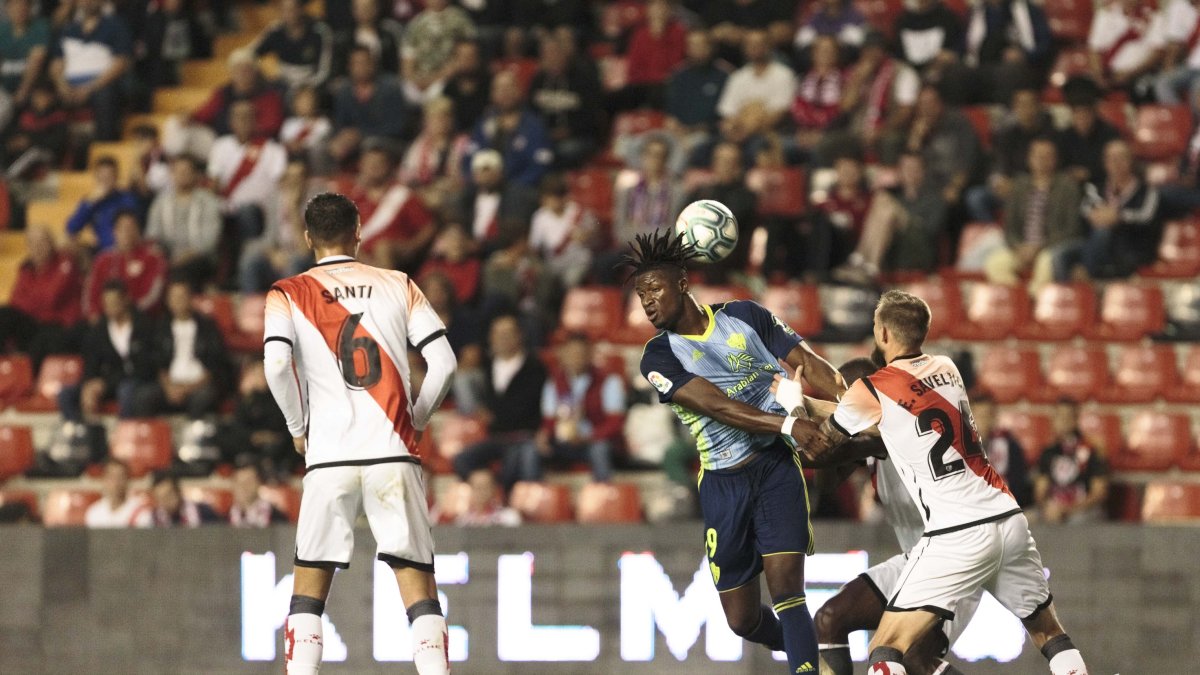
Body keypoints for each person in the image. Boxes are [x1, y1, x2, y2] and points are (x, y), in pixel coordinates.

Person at [787, 290, 1089, 675]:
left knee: (887, 648)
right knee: (1049, 633)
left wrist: (794, 404)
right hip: (1006, 517)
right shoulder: (947, 369)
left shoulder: (873, 390)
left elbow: (818, 448)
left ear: (882, 333)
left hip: (954, 535)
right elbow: (890, 409)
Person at [628, 229, 846, 674]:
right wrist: (791, 423)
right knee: (742, 620)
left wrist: (845, 405)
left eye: (655, 288)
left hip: (775, 468)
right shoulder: (658, 357)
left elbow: (808, 363)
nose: (647, 301)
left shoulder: (745, 315)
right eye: (640, 294)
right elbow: (719, 406)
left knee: (788, 590)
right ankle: (816, 657)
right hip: (723, 485)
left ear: (683, 283)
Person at [263, 192, 457, 674]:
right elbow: (445, 363)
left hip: (329, 456)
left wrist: (296, 426)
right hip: (393, 449)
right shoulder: (398, 283)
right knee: (418, 587)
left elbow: (275, 365)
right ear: (358, 232)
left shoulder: (287, 293)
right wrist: (418, 416)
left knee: (308, 591)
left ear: (308, 238)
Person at [810, 358, 972, 675]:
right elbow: (827, 481)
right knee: (829, 619)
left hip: (957, 559)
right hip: (917, 559)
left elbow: (846, 446)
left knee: (912, 656)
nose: (840, 411)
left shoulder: (902, 425)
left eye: (842, 401)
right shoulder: (866, 435)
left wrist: (804, 414)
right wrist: (825, 444)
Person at [451, 314, 548, 490]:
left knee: (516, 463)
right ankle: (490, 489)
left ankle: (507, 501)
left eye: (507, 333)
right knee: (462, 459)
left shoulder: (534, 367)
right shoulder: (486, 367)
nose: (502, 338)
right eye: (497, 333)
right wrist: (481, 412)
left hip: (524, 437)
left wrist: (494, 416)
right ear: (491, 337)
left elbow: (526, 406)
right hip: (496, 438)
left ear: (519, 335)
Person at [982, 137, 1082, 289]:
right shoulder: (1019, 186)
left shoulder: (1067, 187)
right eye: (1037, 156)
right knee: (995, 263)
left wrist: (1038, 247)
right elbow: (1010, 227)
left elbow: (1072, 229)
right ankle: (1020, 297)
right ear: (1030, 159)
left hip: (1050, 247)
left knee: (1047, 262)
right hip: (1022, 248)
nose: (1042, 160)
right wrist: (1019, 247)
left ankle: (1033, 300)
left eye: (1047, 156)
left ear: (1055, 159)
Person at [1059, 138, 1162, 280]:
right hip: (1096, 246)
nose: (1116, 163)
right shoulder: (1095, 188)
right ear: (1105, 162)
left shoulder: (1146, 191)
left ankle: (1086, 275)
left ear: (1130, 161)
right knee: (1060, 256)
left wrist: (1118, 217)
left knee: (1103, 232)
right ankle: (1069, 298)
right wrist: (1099, 216)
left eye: (1121, 158)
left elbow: (1146, 217)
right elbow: (1085, 210)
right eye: (1111, 158)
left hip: (1131, 246)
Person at [58, 280, 160, 422]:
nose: (110, 308)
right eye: (106, 304)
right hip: (105, 383)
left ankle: (125, 436)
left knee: (126, 390)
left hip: (135, 381)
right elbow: (91, 363)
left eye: (114, 303)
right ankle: (79, 434)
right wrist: (89, 385)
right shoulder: (99, 330)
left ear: (126, 300)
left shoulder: (144, 326)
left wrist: (105, 384)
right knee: (66, 394)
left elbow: (142, 368)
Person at [535, 332, 625, 483]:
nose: (576, 358)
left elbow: (615, 423)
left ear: (590, 355)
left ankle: (603, 496)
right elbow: (549, 420)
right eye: (572, 353)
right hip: (564, 442)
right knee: (531, 450)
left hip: (594, 441)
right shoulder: (554, 382)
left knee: (599, 450)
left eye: (581, 353)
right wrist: (544, 435)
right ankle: (532, 497)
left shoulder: (609, 381)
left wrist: (588, 438)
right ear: (563, 355)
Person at [335, 143, 437, 270]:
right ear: (361, 166)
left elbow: (428, 227)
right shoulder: (353, 198)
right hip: (361, 255)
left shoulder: (403, 195)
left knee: (383, 248)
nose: (374, 168)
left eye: (379, 163)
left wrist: (412, 248)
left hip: (395, 252)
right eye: (369, 164)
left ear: (389, 166)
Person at [47, 0, 131, 140]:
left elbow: (121, 63)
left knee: (105, 95)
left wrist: (89, 88)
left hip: (100, 85)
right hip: (69, 86)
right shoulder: (68, 29)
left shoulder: (115, 25)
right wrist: (62, 86)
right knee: (43, 97)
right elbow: (56, 64)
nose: (88, 2)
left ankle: (103, 149)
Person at [0, 228, 82, 369]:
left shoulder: (65, 263)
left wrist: (31, 297)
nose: (37, 248)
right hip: (34, 323)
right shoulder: (26, 269)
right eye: (32, 244)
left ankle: (28, 378)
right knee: (4, 314)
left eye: (42, 242)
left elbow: (51, 297)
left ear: (51, 244)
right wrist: (36, 299)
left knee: (44, 337)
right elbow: (15, 302)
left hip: (60, 325)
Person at [146, 279, 229, 420]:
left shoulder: (207, 327)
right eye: (174, 297)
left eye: (182, 297)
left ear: (191, 299)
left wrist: (187, 389)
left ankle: (194, 438)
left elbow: (214, 366)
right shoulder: (161, 328)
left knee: (203, 398)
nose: (178, 301)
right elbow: (158, 363)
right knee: (144, 397)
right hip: (171, 383)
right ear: (168, 301)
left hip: (198, 384)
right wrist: (169, 387)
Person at [239, 158, 318, 293]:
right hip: (279, 253)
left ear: (306, 180)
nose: (293, 181)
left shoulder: (316, 204)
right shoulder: (275, 200)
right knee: (250, 257)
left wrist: (293, 209)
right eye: (290, 177)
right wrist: (273, 254)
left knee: (295, 263)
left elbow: (306, 250)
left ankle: (289, 307)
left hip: (304, 258)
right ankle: (251, 306)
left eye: (298, 177)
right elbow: (268, 236)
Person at [466, 69, 553, 187]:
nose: (505, 93)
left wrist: (512, 184)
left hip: (520, 188)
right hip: (483, 186)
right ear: (493, 94)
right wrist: (477, 178)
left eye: (509, 87)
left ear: (519, 91)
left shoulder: (534, 125)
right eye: (499, 89)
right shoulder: (484, 123)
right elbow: (469, 158)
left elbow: (541, 163)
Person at [527, 34, 603, 168]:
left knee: (562, 152)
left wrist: (568, 131)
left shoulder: (583, 79)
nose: (551, 58)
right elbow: (530, 112)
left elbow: (592, 116)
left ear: (565, 54)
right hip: (544, 137)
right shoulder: (538, 81)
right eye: (547, 54)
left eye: (555, 53)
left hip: (577, 137)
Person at [148, 155, 224, 288]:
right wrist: (158, 252)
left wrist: (185, 256)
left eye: (186, 171)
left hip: (199, 258)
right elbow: (153, 234)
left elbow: (209, 241)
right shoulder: (161, 202)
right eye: (178, 171)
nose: (182, 175)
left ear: (196, 175)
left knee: (182, 270)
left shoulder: (208, 201)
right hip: (168, 257)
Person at [1034, 400, 1110, 524]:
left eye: (1068, 417)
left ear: (1076, 420)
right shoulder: (1049, 452)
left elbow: (1099, 493)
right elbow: (1040, 491)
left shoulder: (1090, 449)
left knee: (1075, 522)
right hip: (1054, 508)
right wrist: (1048, 506)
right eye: (1060, 417)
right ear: (1054, 420)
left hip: (1083, 509)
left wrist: (1068, 509)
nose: (1063, 421)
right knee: (1024, 520)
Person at [83, 210, 168, 320]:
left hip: (140, 318)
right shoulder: (102, 260)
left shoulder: (153, 258)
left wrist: (128, 314)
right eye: (121, 228)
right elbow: (91, 291)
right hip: (105, 319)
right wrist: (93, 314)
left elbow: (154, 295)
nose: (126, 233)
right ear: (114, 231)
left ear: (138, 230)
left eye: (130, 228)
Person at [528, 172, 598, 289]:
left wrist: (587, 236)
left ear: (564, 197)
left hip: (578, 262)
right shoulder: (540, 216)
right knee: (542, 280)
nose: (550, 201)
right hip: (552, 264)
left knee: (570, 280)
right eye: (547, 197)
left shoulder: (579, 213)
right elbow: (533, 248)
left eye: (553, 197)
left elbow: (597, 240)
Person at [715, 29, 797, 129]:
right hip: (739, 131)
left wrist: (749, 128)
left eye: (759, 43)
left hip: (772, 131)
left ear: (769, 46)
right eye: (750, 44)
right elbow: (728, 112)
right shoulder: (738, 77)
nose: (754, 47)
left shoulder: (784, 75)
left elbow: (780, 112)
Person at [401, 0, 477, 104]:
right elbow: (407, 56)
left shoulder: (460, 21)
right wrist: (414, 80)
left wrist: (436, 78)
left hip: (447, 76)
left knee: (436, 93)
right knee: (405, 93)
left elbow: (466, 53)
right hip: (419, 78)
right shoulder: (416, 23)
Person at [1054, 76, 1122, 185]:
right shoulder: (1065, 136)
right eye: (1078, 114)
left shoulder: (1109, 134)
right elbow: (1059, 164)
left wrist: (1088, 173)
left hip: (1103, 184)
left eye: (1086, 113)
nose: (1082, 119)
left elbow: (1118, 165)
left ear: (1094, 113)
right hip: (1071, 186)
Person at [252, 0, 333, 91]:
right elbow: (251, 54)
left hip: (312, 86)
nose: (289, 14)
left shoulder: (320, 31)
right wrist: (260, 75)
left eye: (292, 9)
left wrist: (305, 88)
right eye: (284, 10)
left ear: (301, 9)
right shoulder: (275, 31)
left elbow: (324, 71)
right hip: (283, 85)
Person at [65, 156, 141, 253]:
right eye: (102, 177)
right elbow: (71, 229)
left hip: (126, 248)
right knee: (69, 245)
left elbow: (131, 228)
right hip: (101, 251)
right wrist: (89, 204)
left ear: (116, 177)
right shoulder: (91, 201)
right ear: (96, 177)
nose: (106, 181)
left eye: (109, 176)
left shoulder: (127, 198)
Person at [971, 393, 1033, 507]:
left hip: (1003, 505)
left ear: (994, 417)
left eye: (988, 415)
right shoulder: (960, 447)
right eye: (979, 416)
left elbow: (1018, 480)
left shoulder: (1010, 444)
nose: (984, 421)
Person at [0, 0, 51, 130]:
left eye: (24, 5)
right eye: (15, 5)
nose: (20, 9)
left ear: (30, 8)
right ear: (7, 9)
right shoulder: (3, 30)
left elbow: (36, 61)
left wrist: (23, 90)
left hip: (29, 88)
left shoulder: (40, 27)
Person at [85, 459, 152, 528]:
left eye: (120, 477)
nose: (116, 482)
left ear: (127, 481)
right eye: (111, 477)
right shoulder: (94, 512)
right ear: (104, 480)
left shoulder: (141, 512)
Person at [229, 462, 288, 527]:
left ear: (259, 483)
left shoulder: (276, 516)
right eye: (239, 483)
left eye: (248, 482)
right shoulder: (223, 518)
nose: (243, 487)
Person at [150, 471, 219, 527]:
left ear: (178, 492)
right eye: (161, 498)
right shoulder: (153, 519)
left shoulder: (204, 512)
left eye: (169, 495)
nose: (166, 501)